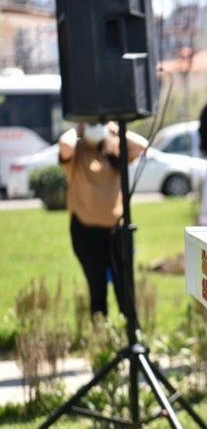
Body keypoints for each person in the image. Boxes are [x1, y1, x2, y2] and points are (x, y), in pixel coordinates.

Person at [59, 121, 148, 317]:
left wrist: (112, 127)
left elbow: (142, 145)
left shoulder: (113, 147)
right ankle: (100, 331)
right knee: (97, 286)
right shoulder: (78, 152)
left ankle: (132, 329)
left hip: (117, 229)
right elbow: (64, 144)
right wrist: (80, 126)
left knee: (125, 285)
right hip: (86, 231)